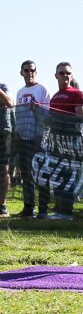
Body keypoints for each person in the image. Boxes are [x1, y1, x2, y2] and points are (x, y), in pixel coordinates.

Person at [47, 62, 83, 220]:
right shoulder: (55, 97)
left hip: (71, 141)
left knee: (70, 175)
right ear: (56, 75)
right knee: (57, 174)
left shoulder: (77, 93)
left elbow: (80, 117)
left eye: (68, 73)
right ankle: (59, 210)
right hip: (55, 141)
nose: (65, 76)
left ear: (72, 75)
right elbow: (50, 119)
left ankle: (67, 211)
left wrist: (63, 121)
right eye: (62, 73)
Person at [14, 60, 50, 218]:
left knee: (41, 174)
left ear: (36, 72)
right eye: (26, 70)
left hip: (38, 138)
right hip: (23, 138)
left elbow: (48, 116)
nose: (30, 73)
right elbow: (18, 115)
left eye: (32, 70)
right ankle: (28, 207)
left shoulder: (42, 89)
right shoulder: (20, 92)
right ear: (21, 72)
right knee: (26, 175)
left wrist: (38, 110)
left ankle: (43, 209)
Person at [0, 80, 13, 217]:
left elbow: (10, 102)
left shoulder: (3, 86)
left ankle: (2, 205)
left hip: (2, 131)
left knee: (3, 169)